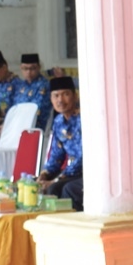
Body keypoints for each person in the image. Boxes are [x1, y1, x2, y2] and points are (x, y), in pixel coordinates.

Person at [37, 77, 84, 211]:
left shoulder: (84, 118)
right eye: (56, 96)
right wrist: (44, 175)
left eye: (65, 94)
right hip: (72, 173)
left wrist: (57, 179)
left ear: (75, 96)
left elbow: (83, 158)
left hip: (87, 171)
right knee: (35, 184)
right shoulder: (58, 121)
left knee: (59, 188)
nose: (60, 100)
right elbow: (56, 156)